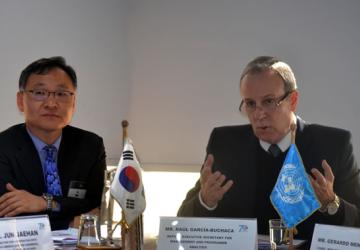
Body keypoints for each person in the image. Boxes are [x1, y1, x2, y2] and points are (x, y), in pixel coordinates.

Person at [178, 56, 360, 241]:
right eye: (250, 104)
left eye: (269, 101)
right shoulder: (225, 144)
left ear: (293, 100)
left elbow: (357, 221)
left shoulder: (333, 145)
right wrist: (205, 201)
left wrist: (331, 203)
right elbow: (181, 222)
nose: (259, 114)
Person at [0, 56, 106, 230]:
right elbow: (8, 212)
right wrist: (72, 222)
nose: (51, 103)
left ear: (74, 102)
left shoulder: (90, 145)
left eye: (61, 94)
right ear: (21, 101)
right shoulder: (4, 147)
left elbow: (95, 204)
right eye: (40, 93)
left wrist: (43, 203)